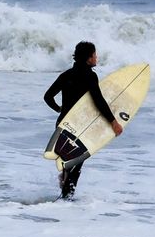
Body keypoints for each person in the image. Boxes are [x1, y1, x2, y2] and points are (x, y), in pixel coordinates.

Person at [43, 41, 122, 199]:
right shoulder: (90, 76)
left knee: (69, 162)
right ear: (88, 58)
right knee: (76, 165)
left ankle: (65, 193)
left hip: (64, 124)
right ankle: (66, 198)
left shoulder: (66, 75)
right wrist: (113, 122)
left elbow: (47, 97)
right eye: (94, 55)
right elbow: (98, 100)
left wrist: (60, 109)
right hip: (79, 126)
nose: (96, 57)